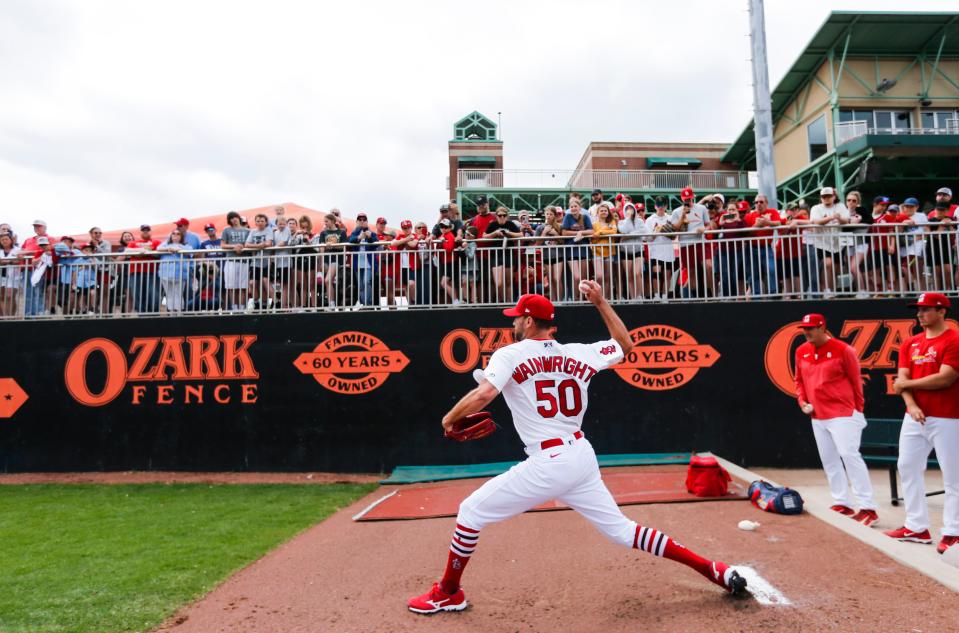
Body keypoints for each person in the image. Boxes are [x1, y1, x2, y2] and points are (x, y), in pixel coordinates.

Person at [406, 286, 747, 614]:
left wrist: (449, 419)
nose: (512, 323)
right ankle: (713, 568)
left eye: (516, 318)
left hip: (550, 461)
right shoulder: (578, 352)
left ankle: (448, 593)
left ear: (528, 321)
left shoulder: (510, 353)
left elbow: (484, 394)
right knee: (622, 531)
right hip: (580, 455)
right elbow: (626, 346)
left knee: (469, 513)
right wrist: (600, 301)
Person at [888, 293, 959, 554]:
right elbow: (901, 381)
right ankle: (916, 526)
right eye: (917, 310)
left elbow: (945, 379)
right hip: (915, 416)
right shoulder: (910, 343)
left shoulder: (954, 339)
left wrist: (906, 385)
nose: (919, 314)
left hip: (949, 417)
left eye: (926, 309)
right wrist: (912, 404)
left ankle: (953, 532)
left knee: (953, 477)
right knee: (906, 466)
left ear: (942, 312)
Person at [794, 313, 878, 524]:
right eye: (804, 329)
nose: (807, 332)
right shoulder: (801, 351)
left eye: (811, 328)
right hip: (817, 415)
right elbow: (799, 380)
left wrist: (858, 410)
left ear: (823, 328)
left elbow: (856, 382)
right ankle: (843, 502)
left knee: (849, 455)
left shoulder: (844, 350)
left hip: (843, 413)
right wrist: (802, 401)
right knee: (829, 459)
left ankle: (868, 508)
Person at [804, 187, 850, 298]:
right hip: (822, 242)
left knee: (836, 268)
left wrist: (839, 218)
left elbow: (847, 220)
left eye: (828, 196)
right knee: (827, 264)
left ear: (834, 196)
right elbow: (816, 221)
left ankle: (833, 291)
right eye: (824, 197)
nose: (826, 199)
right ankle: (826, 290)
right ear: (821, 198)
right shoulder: (816, 208)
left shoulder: (840, 206)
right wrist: (831, 217)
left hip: (838, 242)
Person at [671, 187, 709, 298]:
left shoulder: (702, 208)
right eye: (686, 199)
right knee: (691, 271)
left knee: (708, 266)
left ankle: (710, 293)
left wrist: (704, 230)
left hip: (701, 242)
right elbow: (675, 229)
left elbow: (708, 224)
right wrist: (682, 216)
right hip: (685, 244)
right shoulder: (676, 212)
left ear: (693, 197)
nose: (688, 201)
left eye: (690, 199)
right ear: (682, 199)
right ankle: (696, 296)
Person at [743, 195, 782, 297]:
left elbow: (779, 223)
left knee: (771, 269)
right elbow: (745, 233)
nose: (758, 204)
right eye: (756, 202)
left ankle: (773, 294)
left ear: (766, 203)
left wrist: (766, 222)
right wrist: (757, 226)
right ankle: (757, 296)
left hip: (766, 246)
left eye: (761, 202)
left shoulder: (772, 212)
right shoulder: (749, 216)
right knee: (753, 273)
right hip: (752, 248)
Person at [485, 208, 521, 303]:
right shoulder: (493, 224)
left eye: (504, 215)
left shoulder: (510, 224)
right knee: (499, 283)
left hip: (508, 254)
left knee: (508, 282)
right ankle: (501, 300)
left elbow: (521, 234)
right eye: (500, 215)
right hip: (496, 254)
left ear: (507, 216)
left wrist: (509, 233)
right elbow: (484, 236)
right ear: (496, 216)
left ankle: (508, 302)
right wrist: (495, 233)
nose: (502, 217)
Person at [714, 201, 748, 298]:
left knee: (734, 274)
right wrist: (720, 224)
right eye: (729, 209)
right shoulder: (723, 219)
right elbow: (715, 233)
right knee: (724, 274)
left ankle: (733, 296)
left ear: (737, 210)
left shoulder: (740, 221)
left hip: (737, 251)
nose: (731, 212)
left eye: (733, 209)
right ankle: (726, 296)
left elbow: (745, 232)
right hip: (723, 251)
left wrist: (738, 220)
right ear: (726, 210)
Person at [645, 197, 676, 301]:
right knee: (656, 273)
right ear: (655, 206)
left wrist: (667, 232)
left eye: (662, 205)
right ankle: (657, 295)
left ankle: (665, 296)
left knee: (667, 274)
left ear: (666, 206)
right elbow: (647, 238)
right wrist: (656, 232)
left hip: (667, 250)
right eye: (658, 205)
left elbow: (675, 236)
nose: (660, 207)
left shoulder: (671, 218)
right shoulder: (650, 220)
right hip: (655, 251)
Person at [895, 198, 928, 292]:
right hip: (903, 249)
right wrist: (902, 224)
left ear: (917, 207)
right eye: (906, 206)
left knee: (916, 271)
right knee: (905, 270)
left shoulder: (921, 216)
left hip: (917, 249)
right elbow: (897, 232)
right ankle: (911, 291)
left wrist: (916, 238)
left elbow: (927, 231)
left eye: (911, 206)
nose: (908, 208)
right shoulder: (900, 216)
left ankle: (920, 292)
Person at [315, 213, 348, 308]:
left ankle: (331, 303)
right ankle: (331, 301)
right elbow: (321, 248)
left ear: (333, 221)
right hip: (326, 259)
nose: (325, 223)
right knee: (329, 281)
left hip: (336, 259)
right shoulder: (323, 233)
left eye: (326, 221)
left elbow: (344, 246)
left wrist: (333, 245)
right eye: (324, 221)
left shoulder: (341, 232)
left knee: (327, 280)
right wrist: (321, 262)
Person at [562, 199, 594, 295]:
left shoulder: (585, 217)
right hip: (571, 249)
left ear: (579, 207)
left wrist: (581, 232)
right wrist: (578, 233)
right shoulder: (567, 217)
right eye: (571, 207)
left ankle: (582, 298)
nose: (573, 208)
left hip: (584, 249)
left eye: (575, 206)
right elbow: (564, 233)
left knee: (583, 278)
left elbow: (591, 231)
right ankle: (575, 298)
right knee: (576, 277)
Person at [617, 202, 648, 301]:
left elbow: (642, 232)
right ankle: (633, 297)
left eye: (631, 208)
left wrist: (628, 236)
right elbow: (623, 231)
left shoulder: (640, 221)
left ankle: (640, 295)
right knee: (629, 275)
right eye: (627, 208)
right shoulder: (621, 222)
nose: (629, 210)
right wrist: (627, 219)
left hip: (638, 250)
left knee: (637, 273)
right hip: (625, 251)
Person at [221, 211, 251, 311]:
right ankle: (234, 308)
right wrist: (234, 246)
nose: (234, 219)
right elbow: (223, 245)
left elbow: (249, 244)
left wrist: (242, 247)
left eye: (235, 217)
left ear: (238, 218)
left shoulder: (247, 231)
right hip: (231, 261)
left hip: (244, 261)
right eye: (231, 218)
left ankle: (242, 308)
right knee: (231, 286)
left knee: (243, 286)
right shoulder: (226, 230)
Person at [128, 225, 161, 314]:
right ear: (140, 232)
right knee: (137, 294)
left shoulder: (157, 242)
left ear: (151, 231)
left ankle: (154, 313)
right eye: (143, 230)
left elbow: (160, 253)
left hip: (153, 272)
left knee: (154, 294)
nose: (145, 231)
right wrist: (142, 250)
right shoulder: (133, 242)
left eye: (147, 230)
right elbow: (127, 251)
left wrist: (147, 252)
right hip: (135, 271)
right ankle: (141, 314)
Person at [348, 213, 379, 308]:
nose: (362, 221)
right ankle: (363, 304)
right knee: (360, 285)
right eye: (360, 220)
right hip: (358, 264)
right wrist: (358, 238)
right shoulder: (355, 232)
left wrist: (369, 237)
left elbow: (376, 243)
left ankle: (367, 304)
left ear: (367, 222)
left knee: (366, 282)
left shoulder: (372, 233)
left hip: (369, 264)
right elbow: (350, 240)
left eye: (364, 220)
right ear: (357, 222)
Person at [245, 213, 274, 310]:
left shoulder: (269, 230)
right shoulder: (253, 232)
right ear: (255, 222)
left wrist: (261, 245)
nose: (260, 223)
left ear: (266, 222)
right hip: (255, 261)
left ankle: (265, 304)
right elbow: (247, 244)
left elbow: (269, 243)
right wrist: (259, 246)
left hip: (266, 261)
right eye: (258, 221)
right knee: (252, 283)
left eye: (262, 221)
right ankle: (256, 302)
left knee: (263, 283)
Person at [536, 207, 565, 302]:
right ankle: (553, 300)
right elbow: (537, 243)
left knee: (557, 278)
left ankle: (560, 301)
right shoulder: (540, 227)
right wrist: (544, 233)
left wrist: (555, 234)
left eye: (551, 214)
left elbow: (563, 242)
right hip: (546, 256)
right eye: (547, 214)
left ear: (554, 216)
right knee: (550, 279)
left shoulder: (560, 226)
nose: (548, 216)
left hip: (558, 255)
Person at [158, 229, 190, 312]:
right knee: (169, 294)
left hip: (180, 274)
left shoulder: (186, 245)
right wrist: (168, 248)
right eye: (173, 234)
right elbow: (158, 248)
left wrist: (178, 249)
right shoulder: (165, 244)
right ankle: (171, 312)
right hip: (165, 273)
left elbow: (190, 252)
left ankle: (178, 313)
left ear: (181, 236)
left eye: (178, 234)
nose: (175, 235)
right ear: (171, 235)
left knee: (178, 294)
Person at [590, 203, 618, 299]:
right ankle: (599, 297)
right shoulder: (593, 225)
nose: (603, 212)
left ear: (608, 212)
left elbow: (614, 232)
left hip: (609, 252)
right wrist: (606, 231)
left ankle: (607, 298)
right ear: (597, 213)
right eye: (601, 210)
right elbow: (593, 239)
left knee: (608, 277)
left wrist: (601, 232)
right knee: (599, 276)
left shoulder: (612, 222)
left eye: (605, 210)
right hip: (597, 252)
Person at [0, 232, 23, 316]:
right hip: (1, 276)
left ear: (11, 240)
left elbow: (19, 260)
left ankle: (10, 316)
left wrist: (7, 261)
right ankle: (3, 316)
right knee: (1, 296)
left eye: (6, 239)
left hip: (13, 277)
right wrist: (10, 261)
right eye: (2, 240)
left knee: (10, 296)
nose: (4, 241)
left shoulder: (17, 249)